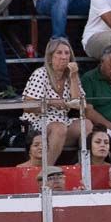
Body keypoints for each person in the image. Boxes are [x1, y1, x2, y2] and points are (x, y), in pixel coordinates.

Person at [20, 36, 84, 165]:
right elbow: (27, 106)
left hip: (61, 121)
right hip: (36, 121)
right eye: (59, 53)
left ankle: (82, 165)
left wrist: (73, 76)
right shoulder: (41, 73)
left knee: (86, 125)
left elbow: (80, 105)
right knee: (59, 128)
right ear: (50, 57)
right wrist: (51, 102)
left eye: (67, 53)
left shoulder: (71, 77)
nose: (64, 57)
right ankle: (46, 171)